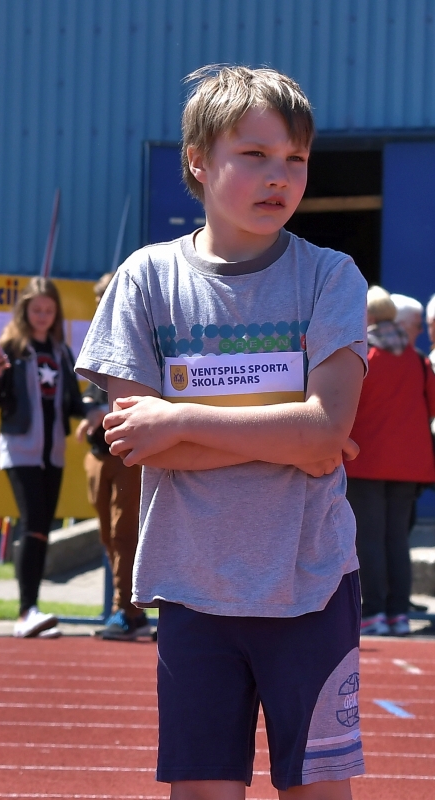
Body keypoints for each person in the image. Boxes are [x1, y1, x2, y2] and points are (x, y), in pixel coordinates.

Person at [77, 65, 368, 798]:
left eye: (296, 159)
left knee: (318, 790)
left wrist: (179, 419)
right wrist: (290, 435)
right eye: (255, 155)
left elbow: (324, 432)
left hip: (312, 582)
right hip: (193, 589)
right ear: (199, 162)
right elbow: (135, 441)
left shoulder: (331, 277)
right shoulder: (145, 280)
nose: (280, 177)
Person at [0, 277, 86, 638]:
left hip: (52, 452)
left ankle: (32, 609)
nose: (42, 316)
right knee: (33, 522)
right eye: (36, 309)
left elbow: (73, 403)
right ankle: (26, 611)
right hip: (20, 450)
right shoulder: (11, 347)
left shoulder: (61, 352)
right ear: (24, 310)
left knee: (42, 528)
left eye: (49, 310)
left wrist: (95, 411)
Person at [345, 286, 435, 636]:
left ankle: (374, 613)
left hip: (366, 461)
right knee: (397, 539)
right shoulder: (417, 359)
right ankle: (398, 613)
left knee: (368, 539)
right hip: (409, 464)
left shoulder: (362, 355)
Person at [75, 272, 150, 641]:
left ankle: (128, 609)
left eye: (109, 297)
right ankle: (131, 610)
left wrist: (101, 413)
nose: (103, 305)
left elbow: (142, 398)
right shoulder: (96, 338)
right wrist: (88, 413)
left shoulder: (139, 337)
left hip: (127, 456)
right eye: (99, 298)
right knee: (108, 535)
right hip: (97, 453)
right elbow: (85, 395)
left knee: (125, 533)